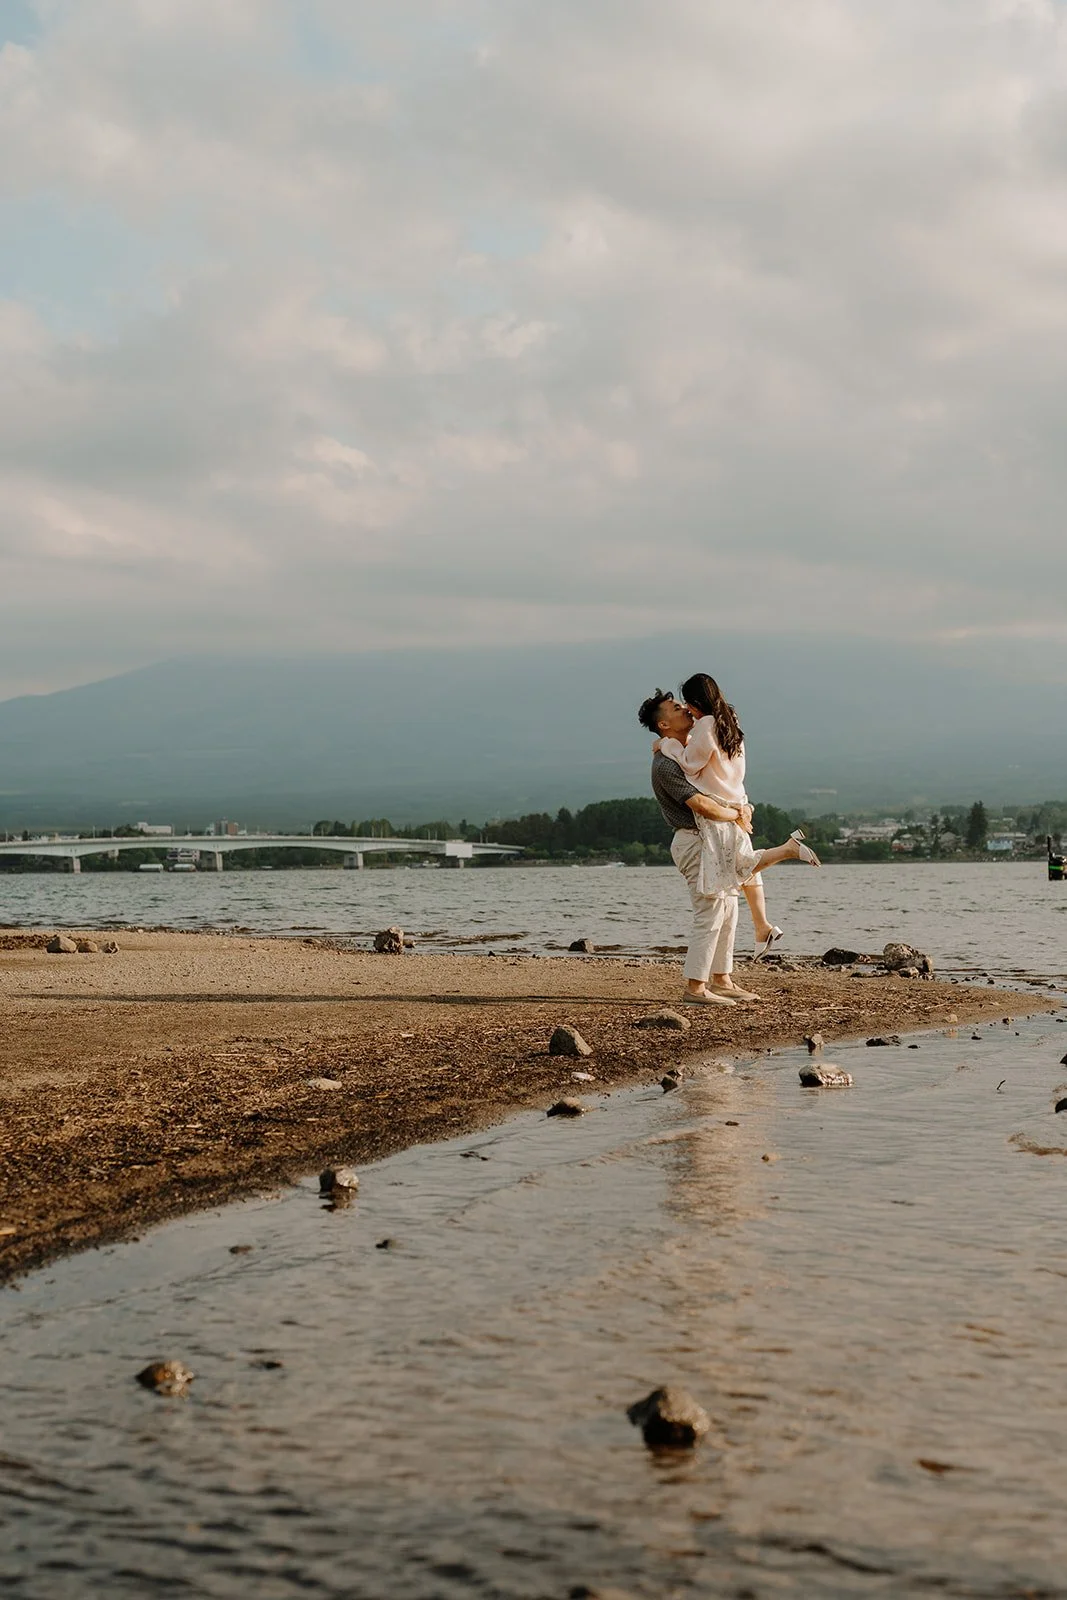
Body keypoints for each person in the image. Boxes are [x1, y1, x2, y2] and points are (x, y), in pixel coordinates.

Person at [638, 689, 816, 1007]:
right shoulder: (666, 764)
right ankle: (695, 988)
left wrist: (738, 809)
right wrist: (737, 813)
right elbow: (701, 804)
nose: (685, 709)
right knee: (710, 911)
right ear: (664, 724)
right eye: (676, 708)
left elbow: (719, 786)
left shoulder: (688, 750)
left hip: (714, 839)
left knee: (729, 910)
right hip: (693, 841)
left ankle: (722, 980)